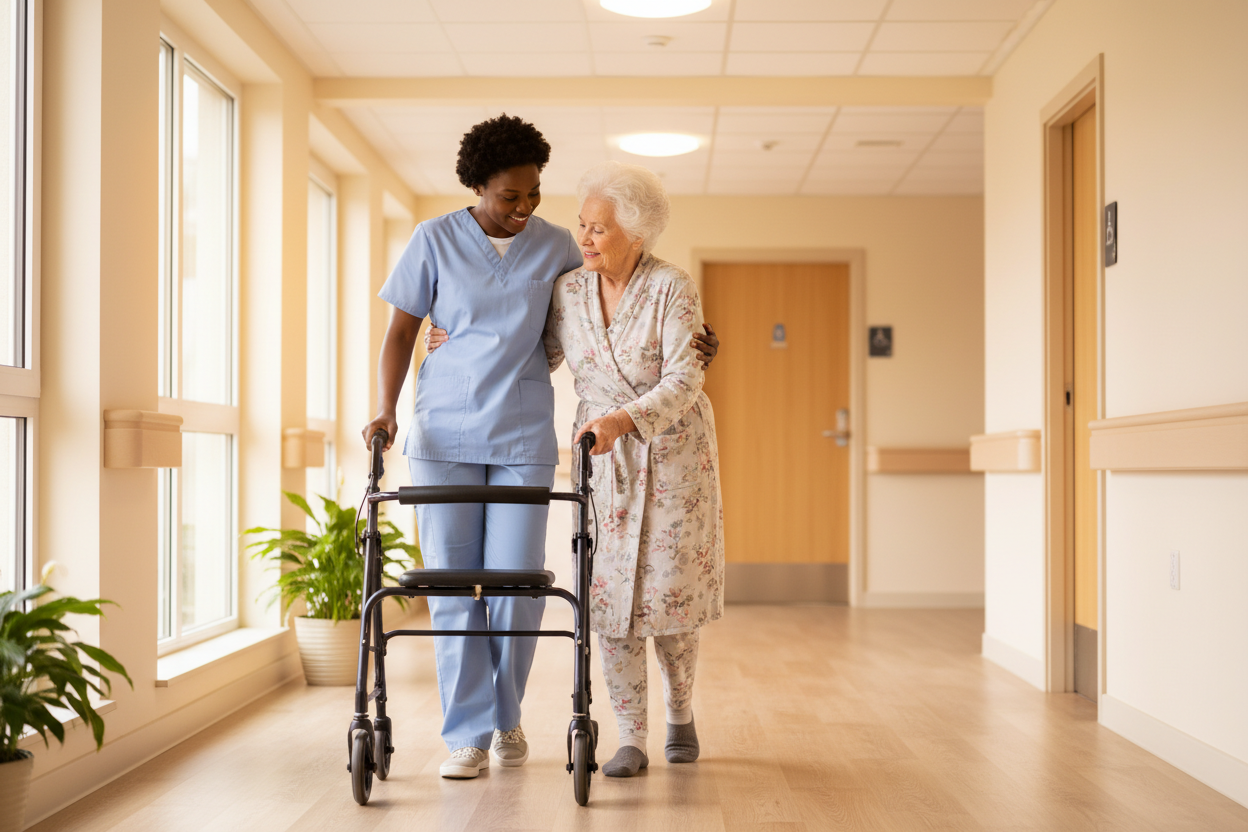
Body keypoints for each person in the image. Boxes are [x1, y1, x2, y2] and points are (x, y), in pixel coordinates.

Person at [363, 116, 718, 781]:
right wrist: (385, 408)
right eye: (509, 197)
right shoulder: (433, 240)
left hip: (524, 433)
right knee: (449, 586)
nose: (524, 209)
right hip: (443, 432)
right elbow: (401, 332)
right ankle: (467, 733)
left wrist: (701, 341)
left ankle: (506, 715)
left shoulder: (559, 247)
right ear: (478, 187)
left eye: (533, 196)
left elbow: (618, 303)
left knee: (519, 585)